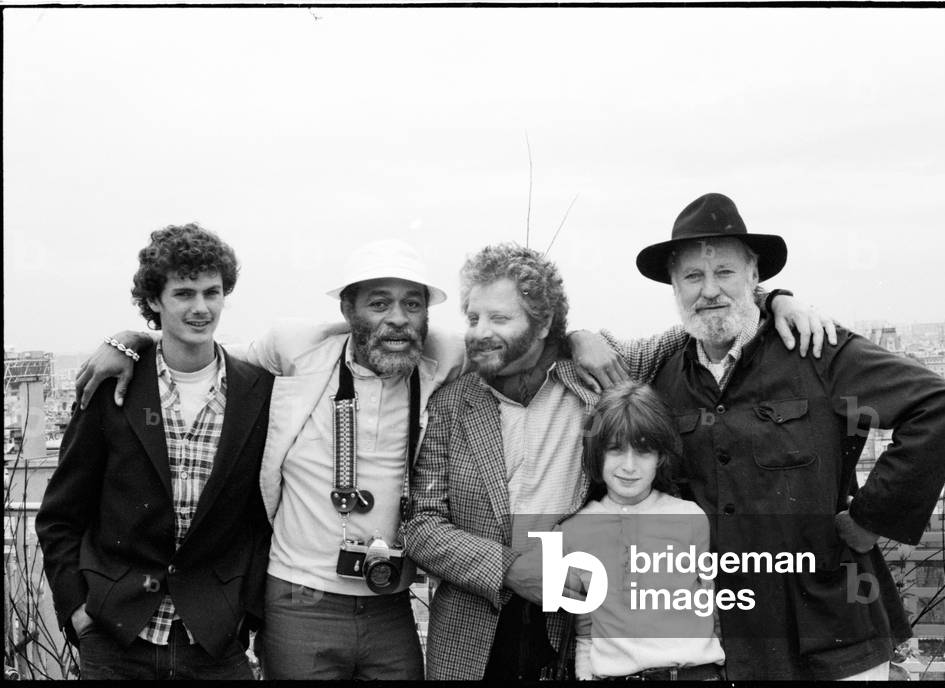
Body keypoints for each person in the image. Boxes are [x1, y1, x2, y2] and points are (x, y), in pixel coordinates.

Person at [69, 238, 635, 679]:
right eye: (380, 303)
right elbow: (202, 355)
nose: (397, 318)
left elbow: (526, 336)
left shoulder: (447, 358)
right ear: (348, 309)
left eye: (412, 304)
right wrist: (129, 340)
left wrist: (580, 335)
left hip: (389, 605)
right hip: (298, 600)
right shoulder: (295, 348)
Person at [404, 243, 832, 680]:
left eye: (499, 318)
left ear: (543, 322)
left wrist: (773, 299)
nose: (478, 332)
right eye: (473, 318)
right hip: (472, 638)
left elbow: (698, 322)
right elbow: (421, 525)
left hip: (570, 632)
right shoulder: (452, 406)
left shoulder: (596, 376)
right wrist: (509, 569)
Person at [635, 192, 945, 680]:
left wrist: (871, 517)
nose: (709, 289)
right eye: (693, 276)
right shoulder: (666, 381)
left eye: (725, 272)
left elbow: (942, 408)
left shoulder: (816, 350)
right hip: (724, 640)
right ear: (674, 285)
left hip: (835, 633)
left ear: (755, 277)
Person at [36, 224, 274, 680]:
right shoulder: (113, 389)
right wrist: (78, 612)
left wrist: (247, 613)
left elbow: (260, 518)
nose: (201, 308)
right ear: (154, 301)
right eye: (183, 293)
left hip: (213, 638)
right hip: (115, 634)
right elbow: (60, 516)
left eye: (213, 292)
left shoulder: (257, 391)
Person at [561, 382, 726, 681]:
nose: (629, 466)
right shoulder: (575, 531)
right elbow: (585, 627)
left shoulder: (689, 516)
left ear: (661, 457)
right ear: (597, 454)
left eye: (643, 451)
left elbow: (711, 603)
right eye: (615, 450)